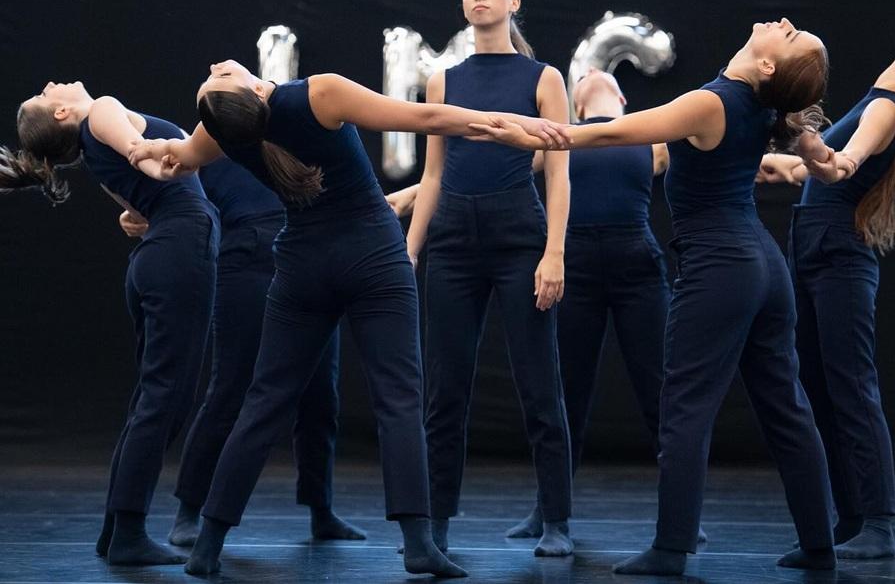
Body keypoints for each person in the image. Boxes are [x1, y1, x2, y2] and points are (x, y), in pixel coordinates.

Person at [128, 58, 566, 576]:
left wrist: (143, 158)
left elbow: (177, 158)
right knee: (399, 397)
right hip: (372, 255)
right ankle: (419, 543)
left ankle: (208, 545)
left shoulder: (221, 131)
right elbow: (427, 119)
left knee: (264, 401)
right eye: (218, 76)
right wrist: (513, 124)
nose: (216, 65)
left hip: (300, 266)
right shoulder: (318, 94)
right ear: (252, 90)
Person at [471, 18, 838, 575]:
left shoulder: (713, 103)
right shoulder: (762, 107)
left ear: (768, 66)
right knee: (786, 406)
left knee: (685, 409)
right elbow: (795, 139)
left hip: (722, 266)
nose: (784, 23)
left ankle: (670, 549)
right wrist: (817, 156)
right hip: (763, 264)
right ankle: (819, 544)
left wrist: (537, 131)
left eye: (791, 36)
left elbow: (616, 132)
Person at [0, 82, 218, 566]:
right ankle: (128, 534)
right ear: (61, 111)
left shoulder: (94, 147)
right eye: (46, 92)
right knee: (166, 399)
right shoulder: (101, 111)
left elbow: (137, 213)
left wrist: (143, 197)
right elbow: (145, 162)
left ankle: (116, 529)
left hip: (159, 254)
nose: (51, 83)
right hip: (178, 252)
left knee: (154, 397)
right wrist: (155, 159)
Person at [403, 0, 574, 557]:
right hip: (452, 241)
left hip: (518, 237)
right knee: (444, 391)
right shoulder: (443, 80)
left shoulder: (544, 78)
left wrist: (553, 252)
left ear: (514, 2)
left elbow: (559, 174)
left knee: (538, 384)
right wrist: (410, 251)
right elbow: (432, 174)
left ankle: (556, 521)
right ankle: (435, 525)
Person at [760, 38, 895, 559]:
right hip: (814, 244)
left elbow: (840, 165)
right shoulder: (881, 100)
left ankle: (878, 523)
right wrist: (781, 160)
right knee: (820, 388)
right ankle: (849, 519)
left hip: (838, 254)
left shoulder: (887, 107)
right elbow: (812, 171)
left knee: (851, 386)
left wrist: (810, 147)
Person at [118, 155, 366, 547]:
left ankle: (321, 509)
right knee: (230, 388)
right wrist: (141, 214)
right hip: (245, 256)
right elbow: (177, 196)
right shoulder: (209, 142)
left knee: (321, 395)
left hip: (306, 256)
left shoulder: (298, 131)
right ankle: (189, 509)